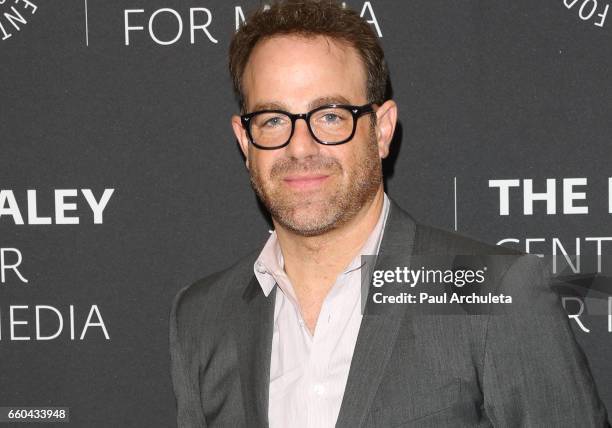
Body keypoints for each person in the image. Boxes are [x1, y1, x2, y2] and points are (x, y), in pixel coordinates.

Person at [169, 1, 609, 427]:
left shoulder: (490, 293)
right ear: (245, 142)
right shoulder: (204, 316)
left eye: (330, 116)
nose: (300, 147)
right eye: (272, 120)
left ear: (381, 130)